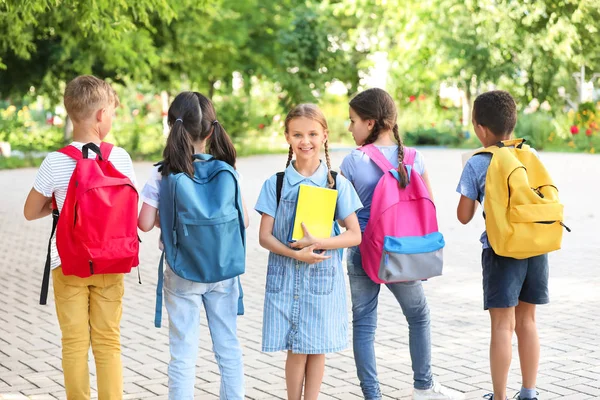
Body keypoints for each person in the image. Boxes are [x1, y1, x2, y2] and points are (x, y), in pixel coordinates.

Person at [340, 88, 463, 400]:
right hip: (401, 253)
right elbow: (429, 205)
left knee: (365, 324)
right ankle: (423, 386)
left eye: (352, 120)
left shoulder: (353, 161)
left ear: (369, 123)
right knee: (418, 315)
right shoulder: (414, 158)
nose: (350, 127)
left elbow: (341, 215)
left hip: (363, 251)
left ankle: (372, 395)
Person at [23, 75, 136, 400]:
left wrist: (56, 205)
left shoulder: (55, 161)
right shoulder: (121, 158)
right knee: (108, 340)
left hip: (68, 263)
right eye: (112, 112)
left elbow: (30, 212)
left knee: (74, 343)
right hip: (112, 261)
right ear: (101, 115)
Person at [138, 91, 248, 400]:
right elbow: (245, 221)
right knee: (228, 347)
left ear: (171, 126)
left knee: (183, 352)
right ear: (212, 130)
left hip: (182, 269)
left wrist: (169, 218)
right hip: (223, 272)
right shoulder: (227, 169)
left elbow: (144, 223)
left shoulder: (163, 171)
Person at [255, 104, 362, 400]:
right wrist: (296, 254)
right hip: (287, 278)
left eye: (313, 133)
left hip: (322, 279)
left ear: (325, 136)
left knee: (317, 348)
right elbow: (264, 237)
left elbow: (355, 235)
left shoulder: (336, 183)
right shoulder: (275, 184)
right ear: (287, 137)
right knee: (296, 349)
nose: (306, 141)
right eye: (298, 134)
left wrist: (319, 242)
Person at [457, 90, 546, 400]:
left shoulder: (478, 161)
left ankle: (499, 396)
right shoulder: (530, 153)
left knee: (501, 326)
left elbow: (464, 216)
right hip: (536, 246)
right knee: (528, 321)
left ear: (480, 128)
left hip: (501, 251)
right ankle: (529, 392)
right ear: (513, 122)